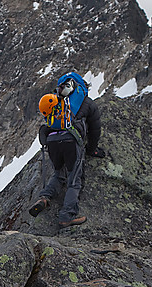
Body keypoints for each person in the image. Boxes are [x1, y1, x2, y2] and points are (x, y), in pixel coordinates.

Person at [29, 71, 104, 227]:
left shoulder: (57, 103)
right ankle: (67, 216)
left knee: (59, 174)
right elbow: (95, 129)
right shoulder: (86, 102)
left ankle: (44, 198)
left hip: (52, 141)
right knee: (74, 180)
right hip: (70, 141)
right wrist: (92, 150)